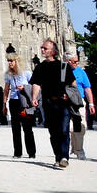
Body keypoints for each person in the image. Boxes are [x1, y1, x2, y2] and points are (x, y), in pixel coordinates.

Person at [29, 38, 76, 169]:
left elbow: (73, 84)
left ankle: (64, 157)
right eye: (42, 48)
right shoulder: (40, 67)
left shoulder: (63, 66)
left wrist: (70, 95)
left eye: (45, 48)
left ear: (53, 51)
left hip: (63, 103)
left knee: (64, 130)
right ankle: (58, 156)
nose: (42, 50)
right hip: (48, 104)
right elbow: (37, 83)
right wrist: (34, 97)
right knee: (53, 132)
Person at [3, 54, 37, 159]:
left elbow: (34, 86)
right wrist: (4, 104)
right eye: (8, 61)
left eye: (11, 61)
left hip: (24, 103)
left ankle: (31, 152)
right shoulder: (8, 75)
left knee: (27, 127)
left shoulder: (26, 73)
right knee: (15, 128)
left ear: (17, 61)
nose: (9, 63)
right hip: (13, 101)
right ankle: (17, 152)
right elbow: (6, 89)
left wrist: (24, 88)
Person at [67, 50, 95, 161]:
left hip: (79, 101)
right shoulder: (62, 71)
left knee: (81, 126)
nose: (77, 63)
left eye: (77, 61)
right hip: (66, 102)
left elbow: (87, 88)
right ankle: (72, 148)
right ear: (68, 61)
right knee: (69, 127)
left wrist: (91, 103)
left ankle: (79, 149)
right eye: (74, 62)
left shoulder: (81, 72)